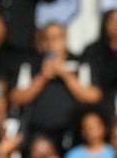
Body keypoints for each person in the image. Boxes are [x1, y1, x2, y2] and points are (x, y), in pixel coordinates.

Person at [8, 22, 102, 154]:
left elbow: (93, 97)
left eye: (56, 38)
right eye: (47, 39)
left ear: (65, 39)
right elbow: (15, 98)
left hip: (73, 135)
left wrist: (65, 75)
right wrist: (42, 77)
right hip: (38, 136)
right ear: (41, 42)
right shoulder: (30, 65)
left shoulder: (80, 63)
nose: (52, 44)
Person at [81, 9, 117, 119]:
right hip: (99, 105)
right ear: (105, 24)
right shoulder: (93, 50)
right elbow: (90, 84)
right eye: (112, 21)